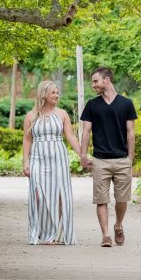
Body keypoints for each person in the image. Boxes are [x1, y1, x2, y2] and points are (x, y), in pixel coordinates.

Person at [79, 67, 137, 247]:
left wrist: (130, 158)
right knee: (101, 200)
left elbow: (131, 133)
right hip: (100, 160)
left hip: (121, 160)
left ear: (107, 80)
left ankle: (118, 225)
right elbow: (86, 132)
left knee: (122, 199)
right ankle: (105, 236)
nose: (93, 85)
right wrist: (83, 155)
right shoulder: (92, 105)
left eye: (96, 81)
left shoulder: (126, 104)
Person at [22, 80, 83, 245]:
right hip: (37, 158)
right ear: (44, 94)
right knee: (38, 195)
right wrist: (25, 162)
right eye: (53, 93)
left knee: (61, 196)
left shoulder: (62, 114)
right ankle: (40, 231)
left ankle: (56, 234)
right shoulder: (30, 116)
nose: (57, 95)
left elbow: (70, 135)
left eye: (57, 92)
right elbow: (27, 140)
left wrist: (82, 155)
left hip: (58, 158)